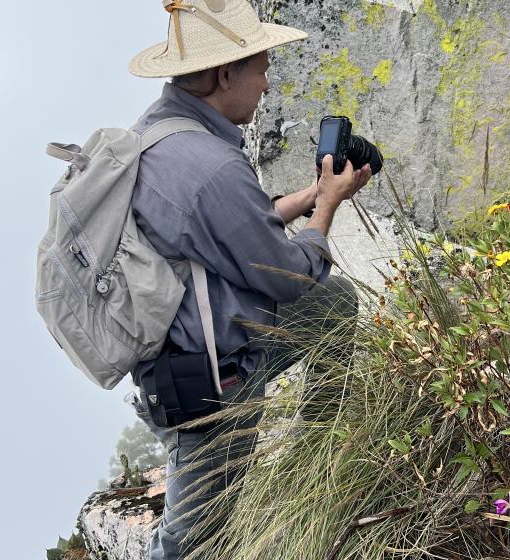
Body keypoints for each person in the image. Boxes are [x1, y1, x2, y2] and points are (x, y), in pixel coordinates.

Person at [124, 1, 372, 558]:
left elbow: (229, 226)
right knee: (195, 545)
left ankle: (317, 458)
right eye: (260, 67)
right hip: (212, 382)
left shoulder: (157, 133)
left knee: (335, 305)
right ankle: (313, 463)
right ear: (224, 74)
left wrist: (309, 195)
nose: (265, 84)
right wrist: (327, 211)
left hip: (172, 358)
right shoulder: (212, 166)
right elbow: (289, 277)